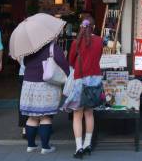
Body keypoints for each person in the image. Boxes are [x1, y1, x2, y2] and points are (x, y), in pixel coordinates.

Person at [19, 36, 69, 154]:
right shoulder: (53, 48)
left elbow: (25, 63)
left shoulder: (30, 48)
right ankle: (45, 147)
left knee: (32, 117)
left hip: (29, 84)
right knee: (45, 116)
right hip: (46, 85)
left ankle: (31, 145)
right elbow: (63, 64)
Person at [67, 15, 103, 159]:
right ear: (93, 27)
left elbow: (70, 61)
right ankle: (88, 144)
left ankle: (79, 147)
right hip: (95, 79)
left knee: (77, 115)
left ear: (81, 27)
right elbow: (99, 57)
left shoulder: (76, 43)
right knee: (89, 113)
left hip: (79, 80)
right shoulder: (100, 41)